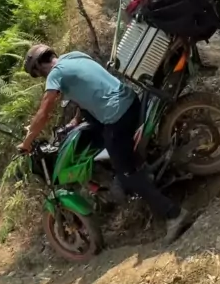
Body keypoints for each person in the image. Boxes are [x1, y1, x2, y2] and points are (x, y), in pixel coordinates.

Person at [19, 44, 189, 244]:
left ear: (39, 67)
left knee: (125, 173)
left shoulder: (55, 74)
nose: (41, 77)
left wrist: (27, 142)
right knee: (100, 133)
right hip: (130, 100)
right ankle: (144, 170)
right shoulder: (74, 56)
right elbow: (89, 88)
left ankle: (174, 214)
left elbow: (44, 112)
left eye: (38, 74)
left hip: (117, 115)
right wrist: (75, 121)